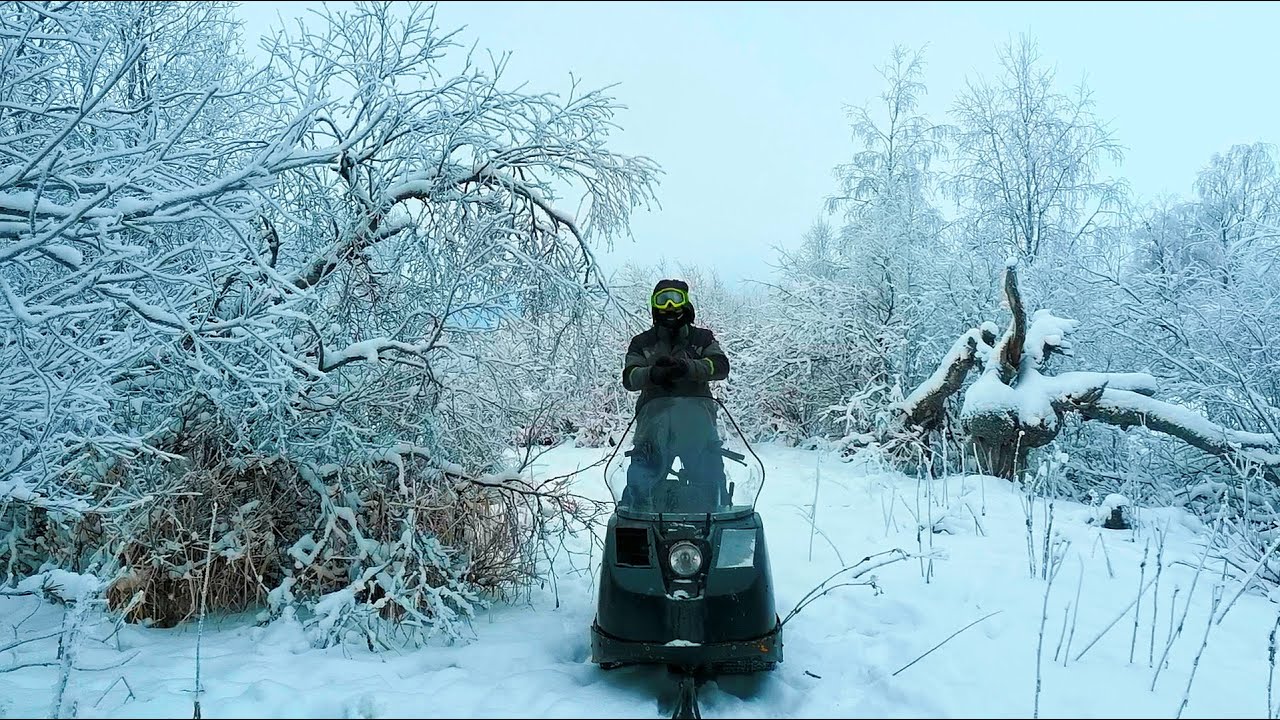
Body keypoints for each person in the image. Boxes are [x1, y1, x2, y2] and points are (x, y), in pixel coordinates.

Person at [620, 279, 731, 511]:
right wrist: (653, 374)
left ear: (686, 303)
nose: (669, 306)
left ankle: (711, 541)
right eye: (662, 299)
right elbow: (629, 378)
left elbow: (720, 366)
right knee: (639, 498)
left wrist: (687, 368)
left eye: (675, 298)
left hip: (698, 430)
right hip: (652, 431)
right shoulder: (642, 343)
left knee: (713, 495)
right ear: (654, 306)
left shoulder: (702, 338)